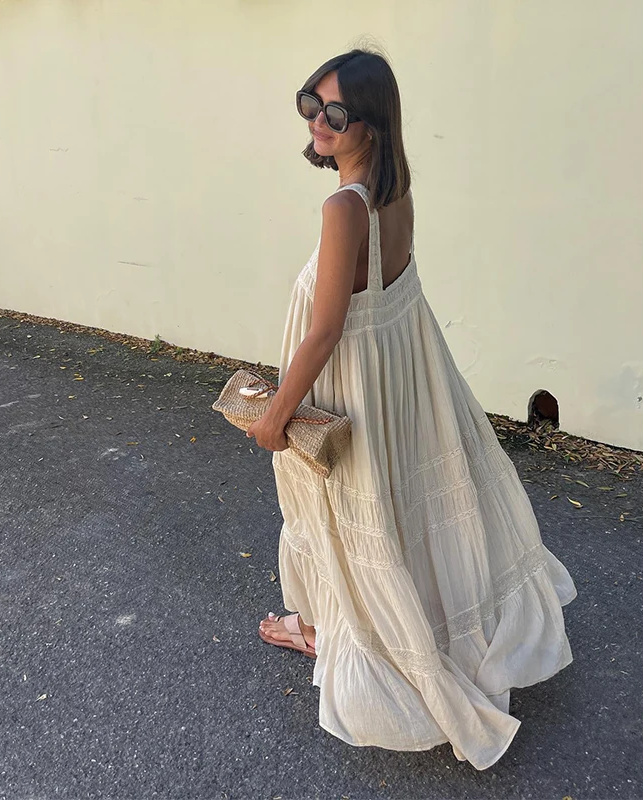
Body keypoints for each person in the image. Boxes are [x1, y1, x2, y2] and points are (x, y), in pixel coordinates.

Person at [246, 49, 577, 771]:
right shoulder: (393, 192)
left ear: (369, 124)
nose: (318, 122)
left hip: (349, 388)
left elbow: (326, 330)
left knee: (339, 514)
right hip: (395, 378)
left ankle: (334, 636)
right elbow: (389, 299)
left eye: (336, 113)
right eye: (311, 103)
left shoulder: (344, 208)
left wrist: (277, 413)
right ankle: (347, 624)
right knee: (397, 510)